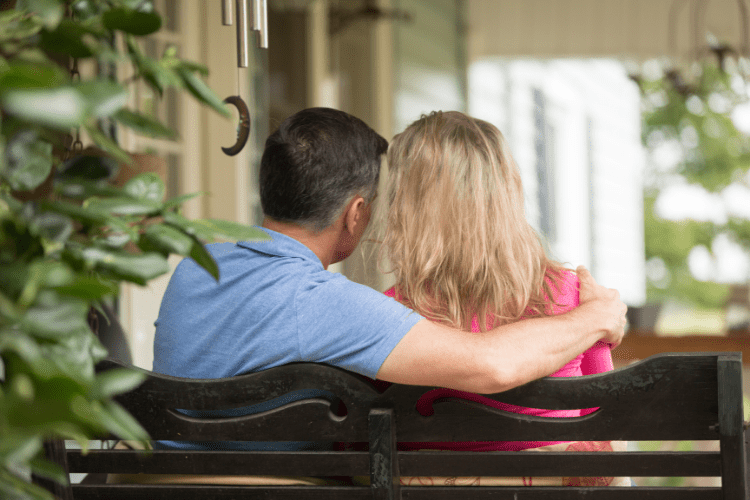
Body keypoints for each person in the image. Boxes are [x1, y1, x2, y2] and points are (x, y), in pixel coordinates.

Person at [152, 107, 627, 452]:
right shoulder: (331, 305)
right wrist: (598, 314)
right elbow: (491, 366)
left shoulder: (195, 267)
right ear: (356, 214)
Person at [375, 110, 627, 487]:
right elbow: (606, 421)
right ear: (507, 190)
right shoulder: (578, 298)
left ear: (407, 203)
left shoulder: (387, 313)